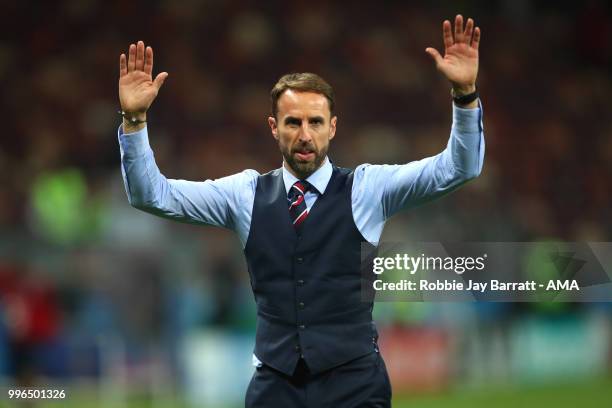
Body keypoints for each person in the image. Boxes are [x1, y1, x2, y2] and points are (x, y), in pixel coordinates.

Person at [117, 14, 484, 408]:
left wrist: (464, 95)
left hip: (355, 385)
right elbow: (152, 195)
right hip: (276, 386)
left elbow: (458, 168)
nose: (305, 134)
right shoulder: (245, 194)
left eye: (315, 122)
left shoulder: (367, 188)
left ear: (333, 127)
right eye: (293, 123)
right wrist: (135, 121)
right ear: (274, 127)